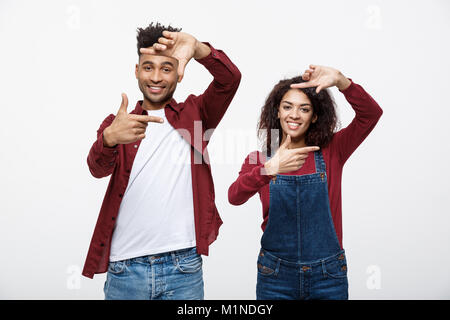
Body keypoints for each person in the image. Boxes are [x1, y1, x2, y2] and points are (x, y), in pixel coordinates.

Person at [82, 22, 241, 300]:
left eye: (166, 68)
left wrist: (198, 48)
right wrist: (109, 139)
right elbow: (97, 168)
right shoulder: (117, 124)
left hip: (183, 267)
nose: (156, 77)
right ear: (137, 71)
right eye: (148, 67)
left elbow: (230, 79)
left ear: (178, 73)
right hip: (125, 270)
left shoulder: (196, 115)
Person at [228, 65, 382, 300]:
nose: (294, 115)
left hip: (327, 274)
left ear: (315, 116)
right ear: (277, 112)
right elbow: (234, 196)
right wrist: (269, 170)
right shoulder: (259, 160)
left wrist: (342, 82)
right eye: (287, 107)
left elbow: (371, 114)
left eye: (304, 109)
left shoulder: (333, 150)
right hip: (275, 275)